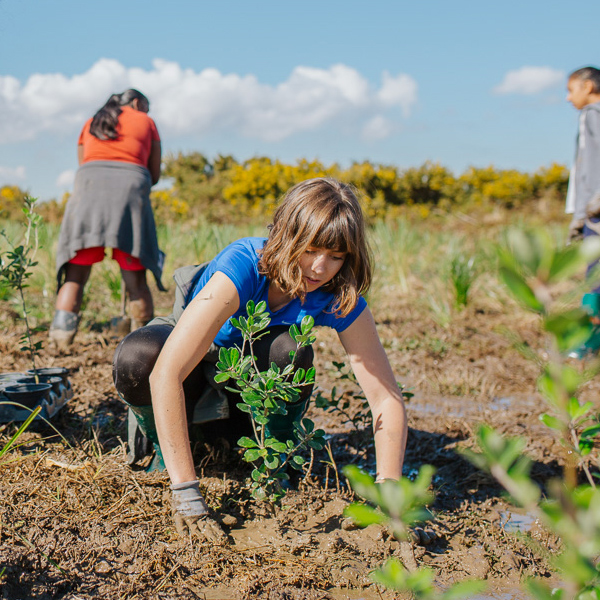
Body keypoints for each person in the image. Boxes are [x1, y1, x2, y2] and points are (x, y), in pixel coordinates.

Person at [113, 178, 408, 542]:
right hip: (190, 378)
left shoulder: (336, 293)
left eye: (336, 256)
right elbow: (167, 373)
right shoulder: (245, 264)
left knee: (291, 349)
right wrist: (187, 495)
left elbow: (385, 399)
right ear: (286, 236)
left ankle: (273, 459)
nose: (319, 268)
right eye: (311, 249)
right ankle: (165, 451)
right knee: (139, 356)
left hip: (247, 400)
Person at [50, 89, 165, 350]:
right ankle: (145, 347)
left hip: (87, 193)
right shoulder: (145, 121)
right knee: (136, 279)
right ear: (137, 103)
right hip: (129, 196)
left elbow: (85, 163)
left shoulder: (92, 122)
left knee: (75, 276)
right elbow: (154, 173)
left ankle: (59, 343)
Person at [565, 67, 600, 358]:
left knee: (594, 276)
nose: (568, 97)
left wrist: (585, 211)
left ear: (588, 87)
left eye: (571, 89)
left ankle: (588, 343)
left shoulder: (592, 115)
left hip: (597, 212)